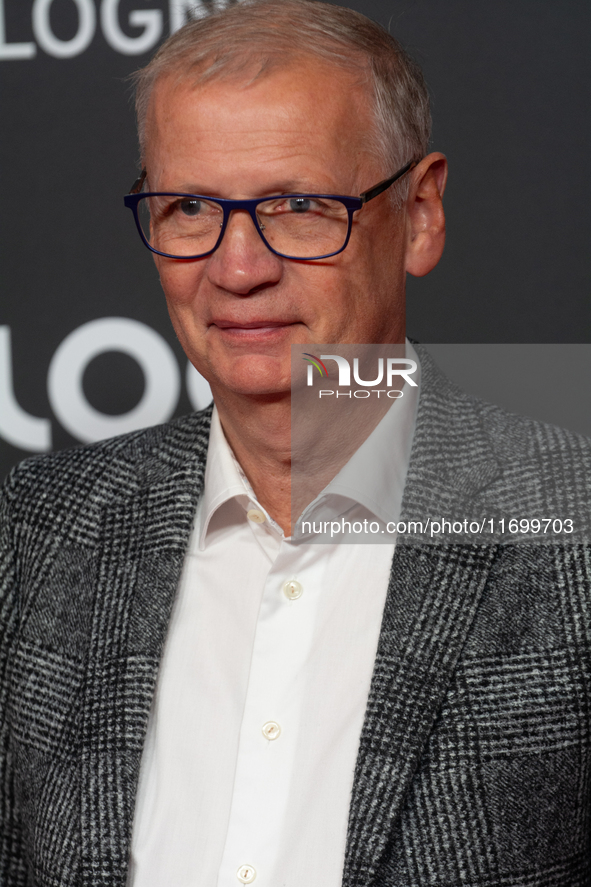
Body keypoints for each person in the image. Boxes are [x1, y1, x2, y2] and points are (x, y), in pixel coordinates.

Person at [1, 2, 590, 885]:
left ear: (420, 213)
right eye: (190, 207)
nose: (238, 268)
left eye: (300, 206)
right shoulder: (31, 535)